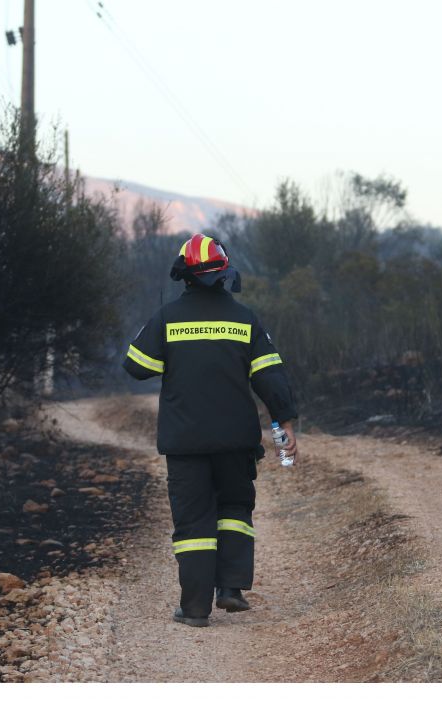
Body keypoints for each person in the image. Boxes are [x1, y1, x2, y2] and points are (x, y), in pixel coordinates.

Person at [122, 233, 298, 628]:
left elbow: (135, 365)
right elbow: (271, 379)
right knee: (234, 509)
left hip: (185, 443)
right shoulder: (244, 319)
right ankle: (231, 589)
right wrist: (284, 432)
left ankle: (196, 609)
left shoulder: (168, 319)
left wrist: (168, 344)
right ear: (225, 274)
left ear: (183, 276)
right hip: (236, 441)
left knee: (194, 522)